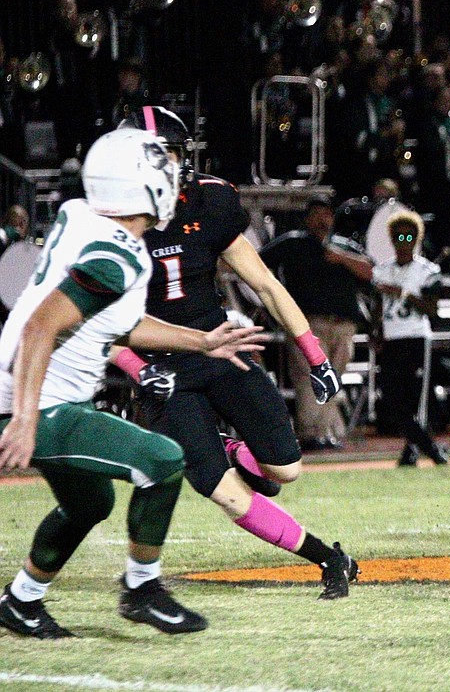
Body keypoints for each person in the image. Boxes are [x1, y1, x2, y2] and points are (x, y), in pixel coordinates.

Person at [0, 128, 265, 639]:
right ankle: (142, 588)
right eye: (161, 169)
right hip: (34, 399)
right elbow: (40, 327)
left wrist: (203, 342)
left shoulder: (82, 214)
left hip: (30, 391)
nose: (172, 178)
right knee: (163, 459)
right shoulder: (119, 256)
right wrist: (28, 418)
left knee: (90, 502)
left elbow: (113, 322)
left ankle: (21, 600)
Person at [111, 107, 359, 599]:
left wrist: (314, 353)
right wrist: (139, 371)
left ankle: (230, 448)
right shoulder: (107, 223)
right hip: (161, 366)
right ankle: (329, 558)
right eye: (153, 156)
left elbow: (265, 284)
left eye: (172, 155)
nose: (166, 166)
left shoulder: (211, 201)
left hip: (218, 346)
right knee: (225, 493)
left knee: (284, 469)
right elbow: (102, 327)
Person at [261, 198, 373, 450]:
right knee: (308, 378)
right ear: (307, 219)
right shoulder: (293, 242)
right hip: (307, 324)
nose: (322, 220)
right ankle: (312, 434)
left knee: (334, 378)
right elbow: (258, 265)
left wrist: (342, 257)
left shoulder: (345, 245)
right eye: (317, 215)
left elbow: (370, 272)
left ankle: (327, 433)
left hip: (343, 326)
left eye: (326, 215)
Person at [370, 209, 449, 466]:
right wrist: (376, 331)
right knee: (392, 399)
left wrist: (403, 293)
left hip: (415, 338)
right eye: (399, 238)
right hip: (392, 339)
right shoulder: (382, 271)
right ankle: (430, 447)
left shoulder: (427, 271)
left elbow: (432, 309)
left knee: (416, 401)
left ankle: (414, 449)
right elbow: (377, 307)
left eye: (409, 238)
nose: (404, 244)